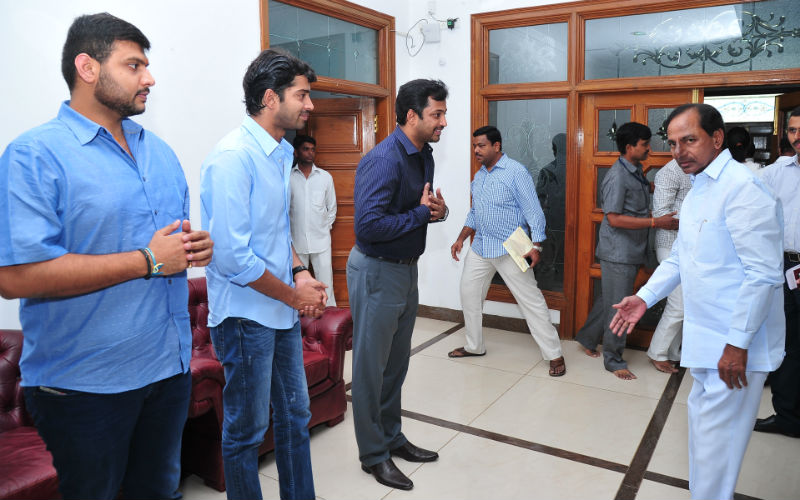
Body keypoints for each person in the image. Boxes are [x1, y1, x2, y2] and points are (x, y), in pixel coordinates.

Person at [0, 13, 213, 500]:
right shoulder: (35, 155)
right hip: (84, 387)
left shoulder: (158, 152)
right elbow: (14, 276)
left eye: (148, 66)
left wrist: (194, 247)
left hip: (168, 370)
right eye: (134, 65)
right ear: (87, 68)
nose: (150, 78)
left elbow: (167, 245)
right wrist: (148, 259)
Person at [611, 103, 784, 500]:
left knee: (717, 446)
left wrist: (737, 344)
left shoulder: (743, 188)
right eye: (672, 143)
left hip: (735, 343)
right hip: (706, 339)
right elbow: (679, 257)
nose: (678, 151)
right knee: (706, 440)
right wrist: (643, 297)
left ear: (717, 138)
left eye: (689, 140)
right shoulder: (700, 189)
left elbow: (762, 275)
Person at [200, 49, 327, 500]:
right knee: (246, 431)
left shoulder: (280, 153)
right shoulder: (234, 158)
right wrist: (294, 297)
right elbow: (233, 258)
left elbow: (276, 230)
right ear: (270, 98)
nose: (309, 105)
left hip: (279, 312)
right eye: (302, 95)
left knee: (295, 416)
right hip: (244, 317)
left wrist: (298, 272)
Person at [347, 78, 449, 491]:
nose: (443, 122)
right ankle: (373, 455)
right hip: (376, 269)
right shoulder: (383, 160)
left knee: (396, 364)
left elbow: (415, 208)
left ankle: (391, 436)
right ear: (412, 116)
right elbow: (369, 227)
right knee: (371, 368)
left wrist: (436, 211)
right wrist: (422, 217)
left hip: (406, 269)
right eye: (436, 114)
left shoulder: (424, 156)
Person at [448, 126, 565, 376]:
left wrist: (537, 245)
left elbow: (533, 210)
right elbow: (475, 213)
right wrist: (461, 238)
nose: (476, 150)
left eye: (481, 145)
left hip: (514, 245)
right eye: (474, 146)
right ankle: (474, 346)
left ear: (496, 146)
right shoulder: (479, 177)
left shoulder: (516, 172)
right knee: (469, 295)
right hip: (481, 247)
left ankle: (554, 355)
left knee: (530, 301)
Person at [575, 122, 678, 380]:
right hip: (618, 252)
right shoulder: (618, 176)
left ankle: (587, 338)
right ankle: (613, 359)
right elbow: (615, 218)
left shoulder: (635, 171)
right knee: (620, 306)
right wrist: (656, 222)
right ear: (630, 147)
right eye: (645, 144)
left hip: (632, 249)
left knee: (610, 298)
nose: (649, 148)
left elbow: (637, 204)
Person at [754, 106, 800, 438]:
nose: (798, 138)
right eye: (794, 130)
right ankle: (788, 416)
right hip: (787, 267)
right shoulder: (778, 172)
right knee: (789, 342)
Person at [647, 158, 691, 373]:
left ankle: (674, 353)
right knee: (679, 304)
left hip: (692, 247)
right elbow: (661, 216)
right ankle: (657, 353)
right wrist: (701, 221)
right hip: (670, 245)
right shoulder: (670, 172)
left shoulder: (700, 168)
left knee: (686, 304)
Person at [290, 134, 337, 306]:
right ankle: (300, 322)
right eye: (305, 149)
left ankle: (332, 319)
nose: (310, 153)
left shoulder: (325, 178)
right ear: (296, 152)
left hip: (321, 241)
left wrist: (324, 227)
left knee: (326, 285)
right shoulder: (288, 179)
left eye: (312, 150)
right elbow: (284, 212)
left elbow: (332, 208)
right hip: (297, 243)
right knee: (299, 285)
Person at [536, 133, 567, 284]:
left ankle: (549, 288)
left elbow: (539, 201)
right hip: (574, 221)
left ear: (554, 149)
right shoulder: (581, 169)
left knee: (549, 260)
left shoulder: (547, 170)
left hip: (551, 223)